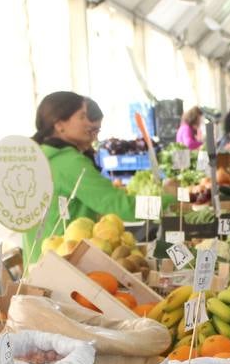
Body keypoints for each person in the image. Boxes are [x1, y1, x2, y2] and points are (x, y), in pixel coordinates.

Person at [24, 90, 143, 263]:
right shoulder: (69, 162)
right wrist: (170, 202)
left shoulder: (39, 156)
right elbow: (118, 205)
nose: (88, 124)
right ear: (59, 124)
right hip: (65, 267)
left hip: (39, 265)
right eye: (82, 117)